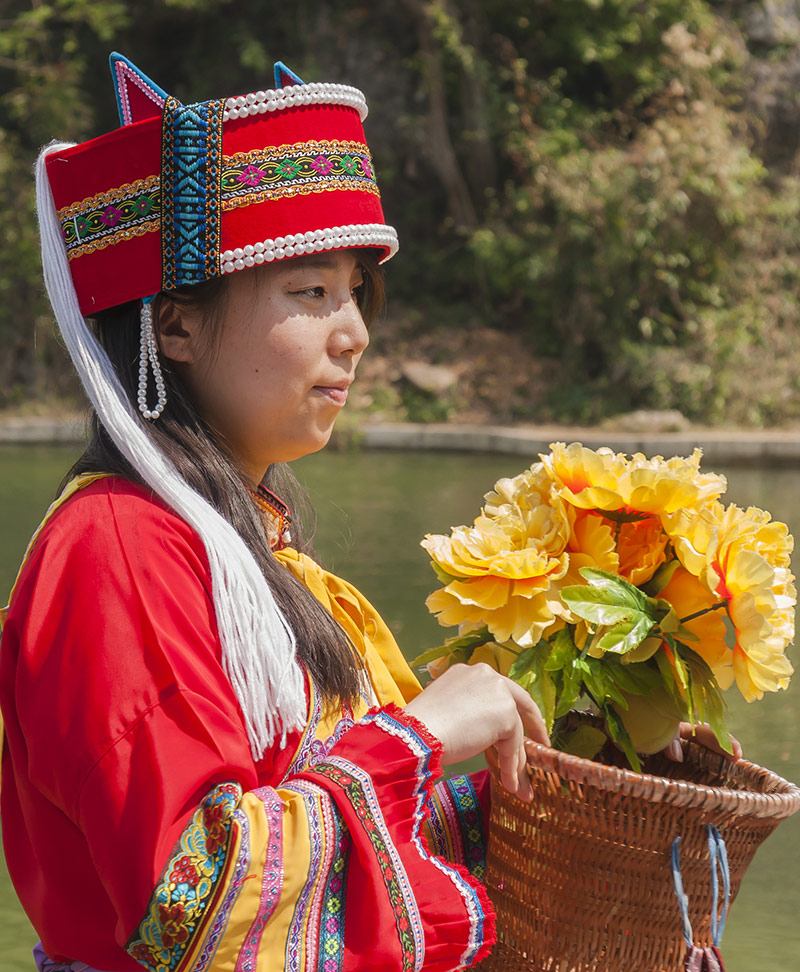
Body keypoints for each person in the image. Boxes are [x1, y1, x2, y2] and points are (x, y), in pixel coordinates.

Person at [0, 53, 550, 972]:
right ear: (174, 326)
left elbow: (360, 820)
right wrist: (417, 739)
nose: (356, 333)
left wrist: (584, 737)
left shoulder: (256, 546)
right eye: (311, 293)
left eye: (355, 293)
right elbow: (190, 901)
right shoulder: (118, 547)